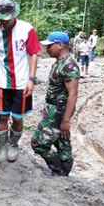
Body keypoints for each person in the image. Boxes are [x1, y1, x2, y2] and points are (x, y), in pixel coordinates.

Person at [0, 0, 41, 164]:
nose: (4, 23)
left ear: (14, 15)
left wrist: (31, 79)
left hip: (22, 83)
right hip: (2, 82)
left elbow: (33, 54)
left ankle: (13, 144)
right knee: (1, 117)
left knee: (17, 118)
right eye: (1, 19)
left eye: (7, 20)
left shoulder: (27, 29)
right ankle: (2, 147)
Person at [32, 31, 80, 176]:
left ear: (60, 45)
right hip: (53, 108)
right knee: (61, 140)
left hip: (58, 110)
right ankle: (64, 168)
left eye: (50, 46)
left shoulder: (69, 66)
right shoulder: (60, 63)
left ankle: (58, 168)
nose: (47, 49)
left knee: (38, 143)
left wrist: (65, 120)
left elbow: (73, 94)